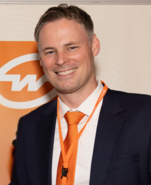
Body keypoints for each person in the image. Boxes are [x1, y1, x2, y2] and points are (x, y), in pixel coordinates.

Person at [9, 4, 151, 185]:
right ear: (41, 60)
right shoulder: (29, 127)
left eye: (71, 47)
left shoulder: (145, 115)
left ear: (94, 46)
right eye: (50, 52)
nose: (61, 60)